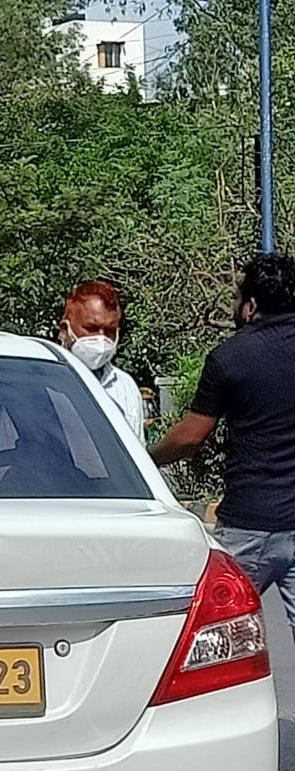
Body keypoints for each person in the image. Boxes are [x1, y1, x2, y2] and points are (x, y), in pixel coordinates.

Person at [149, 252, 295, 638]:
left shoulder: (230, 358)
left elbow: (192, 436)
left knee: (214, 636)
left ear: (251, 305)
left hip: (249, 524)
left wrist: (144, 461)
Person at [60, 280, 146, 444]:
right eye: (91, 329)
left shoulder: (125, 386)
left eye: (109, 331)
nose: (101, 338)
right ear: (65, 330)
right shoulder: (42, 382)